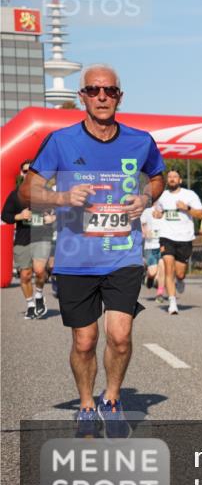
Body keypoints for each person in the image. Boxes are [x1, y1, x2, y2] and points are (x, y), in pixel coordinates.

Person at [18, 63, 165, 437]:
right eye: (94, 90)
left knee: (119, 336)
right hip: (75, 257)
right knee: (84, 342)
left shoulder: (140, 141)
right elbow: (26, 191)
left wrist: (145, 196)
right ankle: (86, 403)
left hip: (123, 254)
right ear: (81, 96)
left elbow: (158, 177)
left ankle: (112, 401)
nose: (102, 97)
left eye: (110, 91)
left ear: (120, 96)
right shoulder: (61, 141)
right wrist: (62, 196)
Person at [2, 162, 55, 318]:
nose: (29, 174)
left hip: (42, 236)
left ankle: (39, 294)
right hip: (23, 238)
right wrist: (20, 216)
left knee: (39, 270)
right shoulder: (15, 195)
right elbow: (5, 216)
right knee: (25, 275)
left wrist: (54, 217)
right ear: (22, 174)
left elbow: (65, 211)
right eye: (26, 171)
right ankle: (31, 304)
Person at [152, 171, 202, 315]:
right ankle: (172, 302)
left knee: (180, 273)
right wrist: (157, 214)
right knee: (169, 268)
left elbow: (200, 214)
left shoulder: (189, 195)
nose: (172, 179)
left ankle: (180, 280)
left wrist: (186, 208)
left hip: (185, 238)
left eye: (175, 177)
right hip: (166, 236)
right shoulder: (162, 195)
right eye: (169, 177)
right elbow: (159, 211)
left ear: (180, 180)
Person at [140, 205, 165, 304]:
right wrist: (145, 232)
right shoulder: (147, 211)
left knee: (162, 270)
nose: (161, 215)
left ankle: (160, 294)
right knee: (153, 272)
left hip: (162, 246)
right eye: (160, 213)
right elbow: (142, 223)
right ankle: (149, 277)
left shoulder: (166, 210)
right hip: (150, 246)